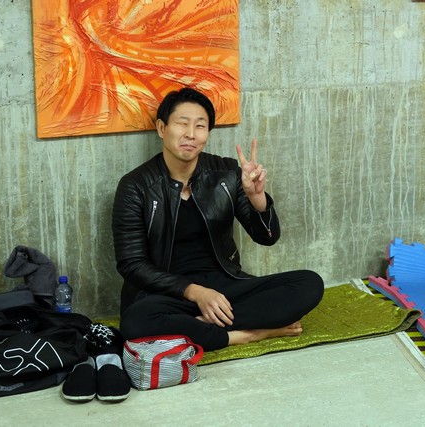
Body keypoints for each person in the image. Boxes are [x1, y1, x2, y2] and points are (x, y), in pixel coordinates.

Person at [112, 87, 324, 351]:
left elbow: (267, 237)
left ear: (207, 134)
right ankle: (246, 334)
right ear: (162, 128)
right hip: (169, 293)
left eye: (200, 126)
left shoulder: (226, 173)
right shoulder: (135, 186)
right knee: (135, 322)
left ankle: (194, 328)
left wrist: (257, 198)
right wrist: (196, 292)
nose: (191, 134)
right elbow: (132, 264)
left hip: (226, 286)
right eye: (182, 123)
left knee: (309, 284)